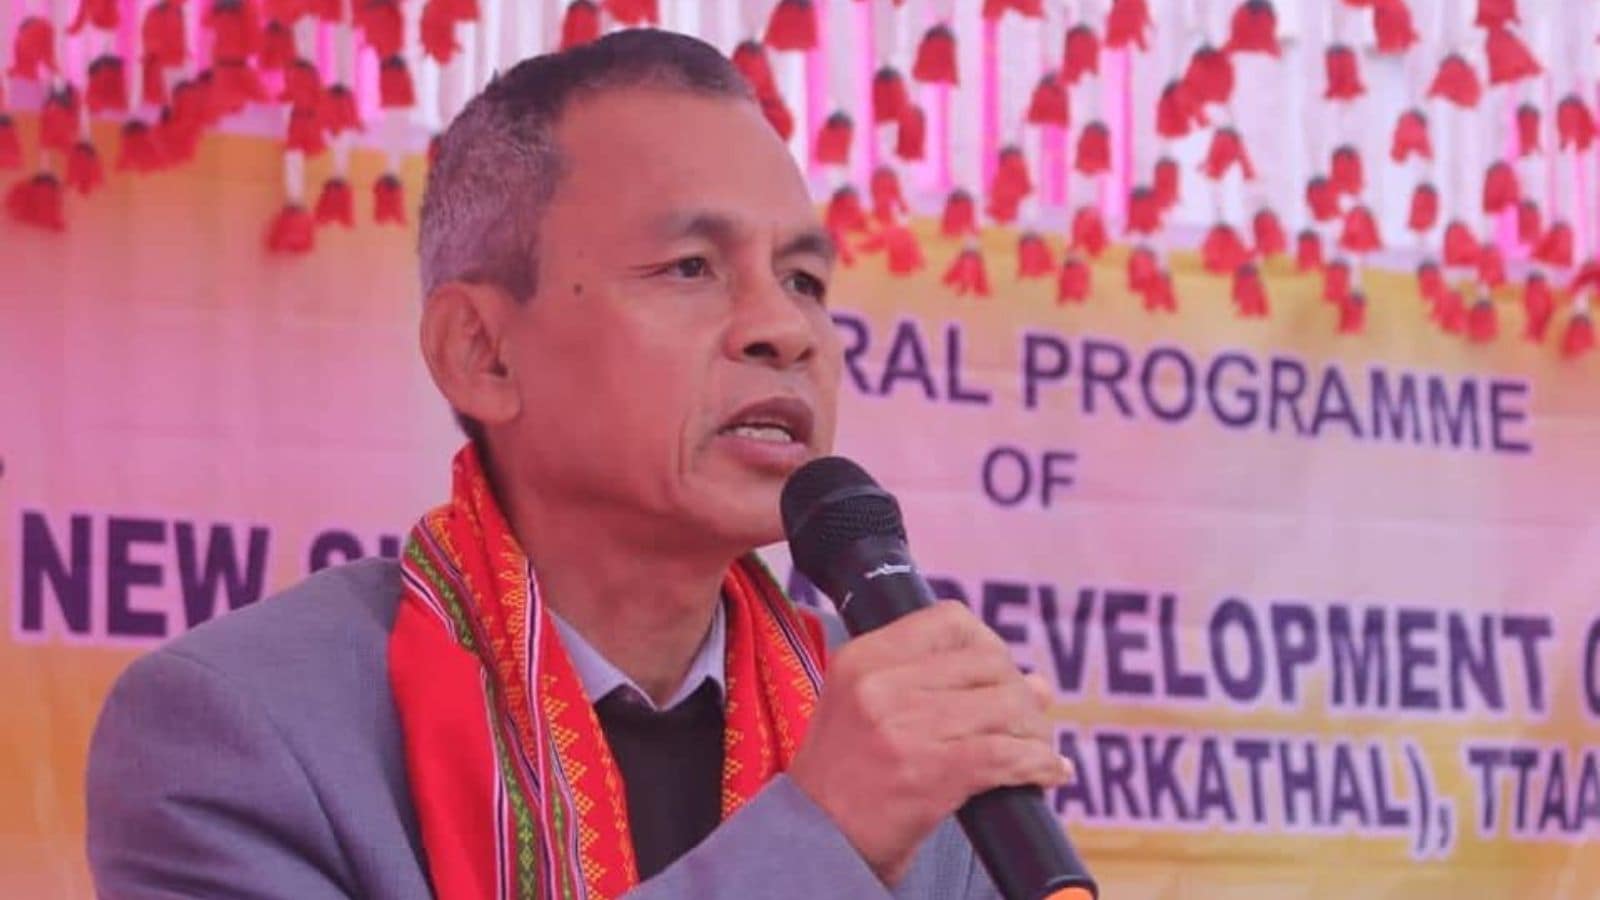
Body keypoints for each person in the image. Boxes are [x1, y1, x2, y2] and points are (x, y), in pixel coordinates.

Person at [86, 29, 1071, 899]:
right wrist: (825, 838)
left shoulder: (899, 732)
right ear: (483, 352)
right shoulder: (246, 731)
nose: (785, 328)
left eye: (804, 279)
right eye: (690, 267)